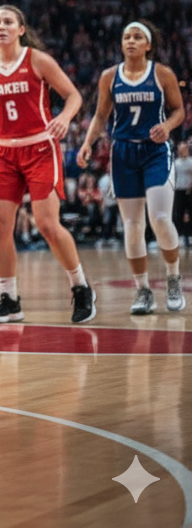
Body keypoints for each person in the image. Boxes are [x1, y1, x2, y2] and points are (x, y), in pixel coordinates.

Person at [0, 5, 96, 324]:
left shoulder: (38, 60)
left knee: (47, 224)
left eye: (8, 21)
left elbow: (74, 96)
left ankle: (81, 288)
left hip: (40, 147)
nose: (2, 26)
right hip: (3, 152)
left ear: (21, 29)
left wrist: (64, 117)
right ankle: (9, 299)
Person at [77, 21, 185, 313]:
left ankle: (173, 277)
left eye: (138, 37)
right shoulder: (109, 76)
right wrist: (88, 143)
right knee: (133, 226)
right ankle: (143, 291)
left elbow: (179, 110)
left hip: (155, 152)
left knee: (160, 218)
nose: (131, 41)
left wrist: (167, 125)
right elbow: (100, 116)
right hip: (123, 152)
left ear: (148, 45)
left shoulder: (162, 73)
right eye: (127, 37)